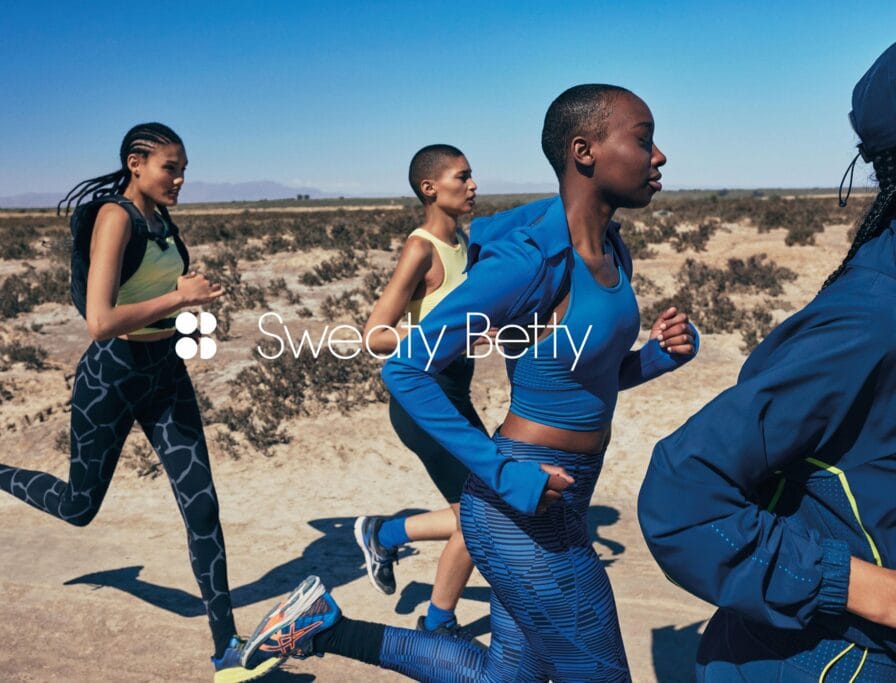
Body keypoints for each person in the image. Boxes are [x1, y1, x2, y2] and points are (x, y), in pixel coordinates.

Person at [240, 85, 699, 681]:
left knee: (504, 678)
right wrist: (506, 475)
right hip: (517, 507)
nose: (658, 155)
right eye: (643, 139)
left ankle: (321, 625)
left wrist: (657, 360)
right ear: (584, 151)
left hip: (563, 495)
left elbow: (590, 382)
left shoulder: (613, 251)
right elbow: (406, 369)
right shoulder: (530, 264)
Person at [0, 123, 276, 682]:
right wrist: (179, 295)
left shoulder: (160, 220)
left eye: (184, 167)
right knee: (79, 507)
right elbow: (100, 322)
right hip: (112, 376)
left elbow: (149, 293)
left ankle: (227, 650)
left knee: (203, 506)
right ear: (136, 162)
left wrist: (186, 300)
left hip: (164, 373)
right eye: (171, 167)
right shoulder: (114, 217)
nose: (181, 178)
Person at [637, 43, 896, 682]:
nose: (659, 156)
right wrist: (872, 592)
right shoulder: (870, 315)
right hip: (835, 660)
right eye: (644, 141)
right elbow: (682, 492)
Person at [355, 143, 484, 636]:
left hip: (455, 394)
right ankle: (438, 623)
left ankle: (383, 534)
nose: (473, 185)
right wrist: (445, 337)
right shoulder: (421, 248)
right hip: (421, 399)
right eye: (462, 177)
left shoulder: (465, 242)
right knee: (482, 513)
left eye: (473, 177)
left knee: (481, 509)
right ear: (430, 188)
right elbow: (375, 334)